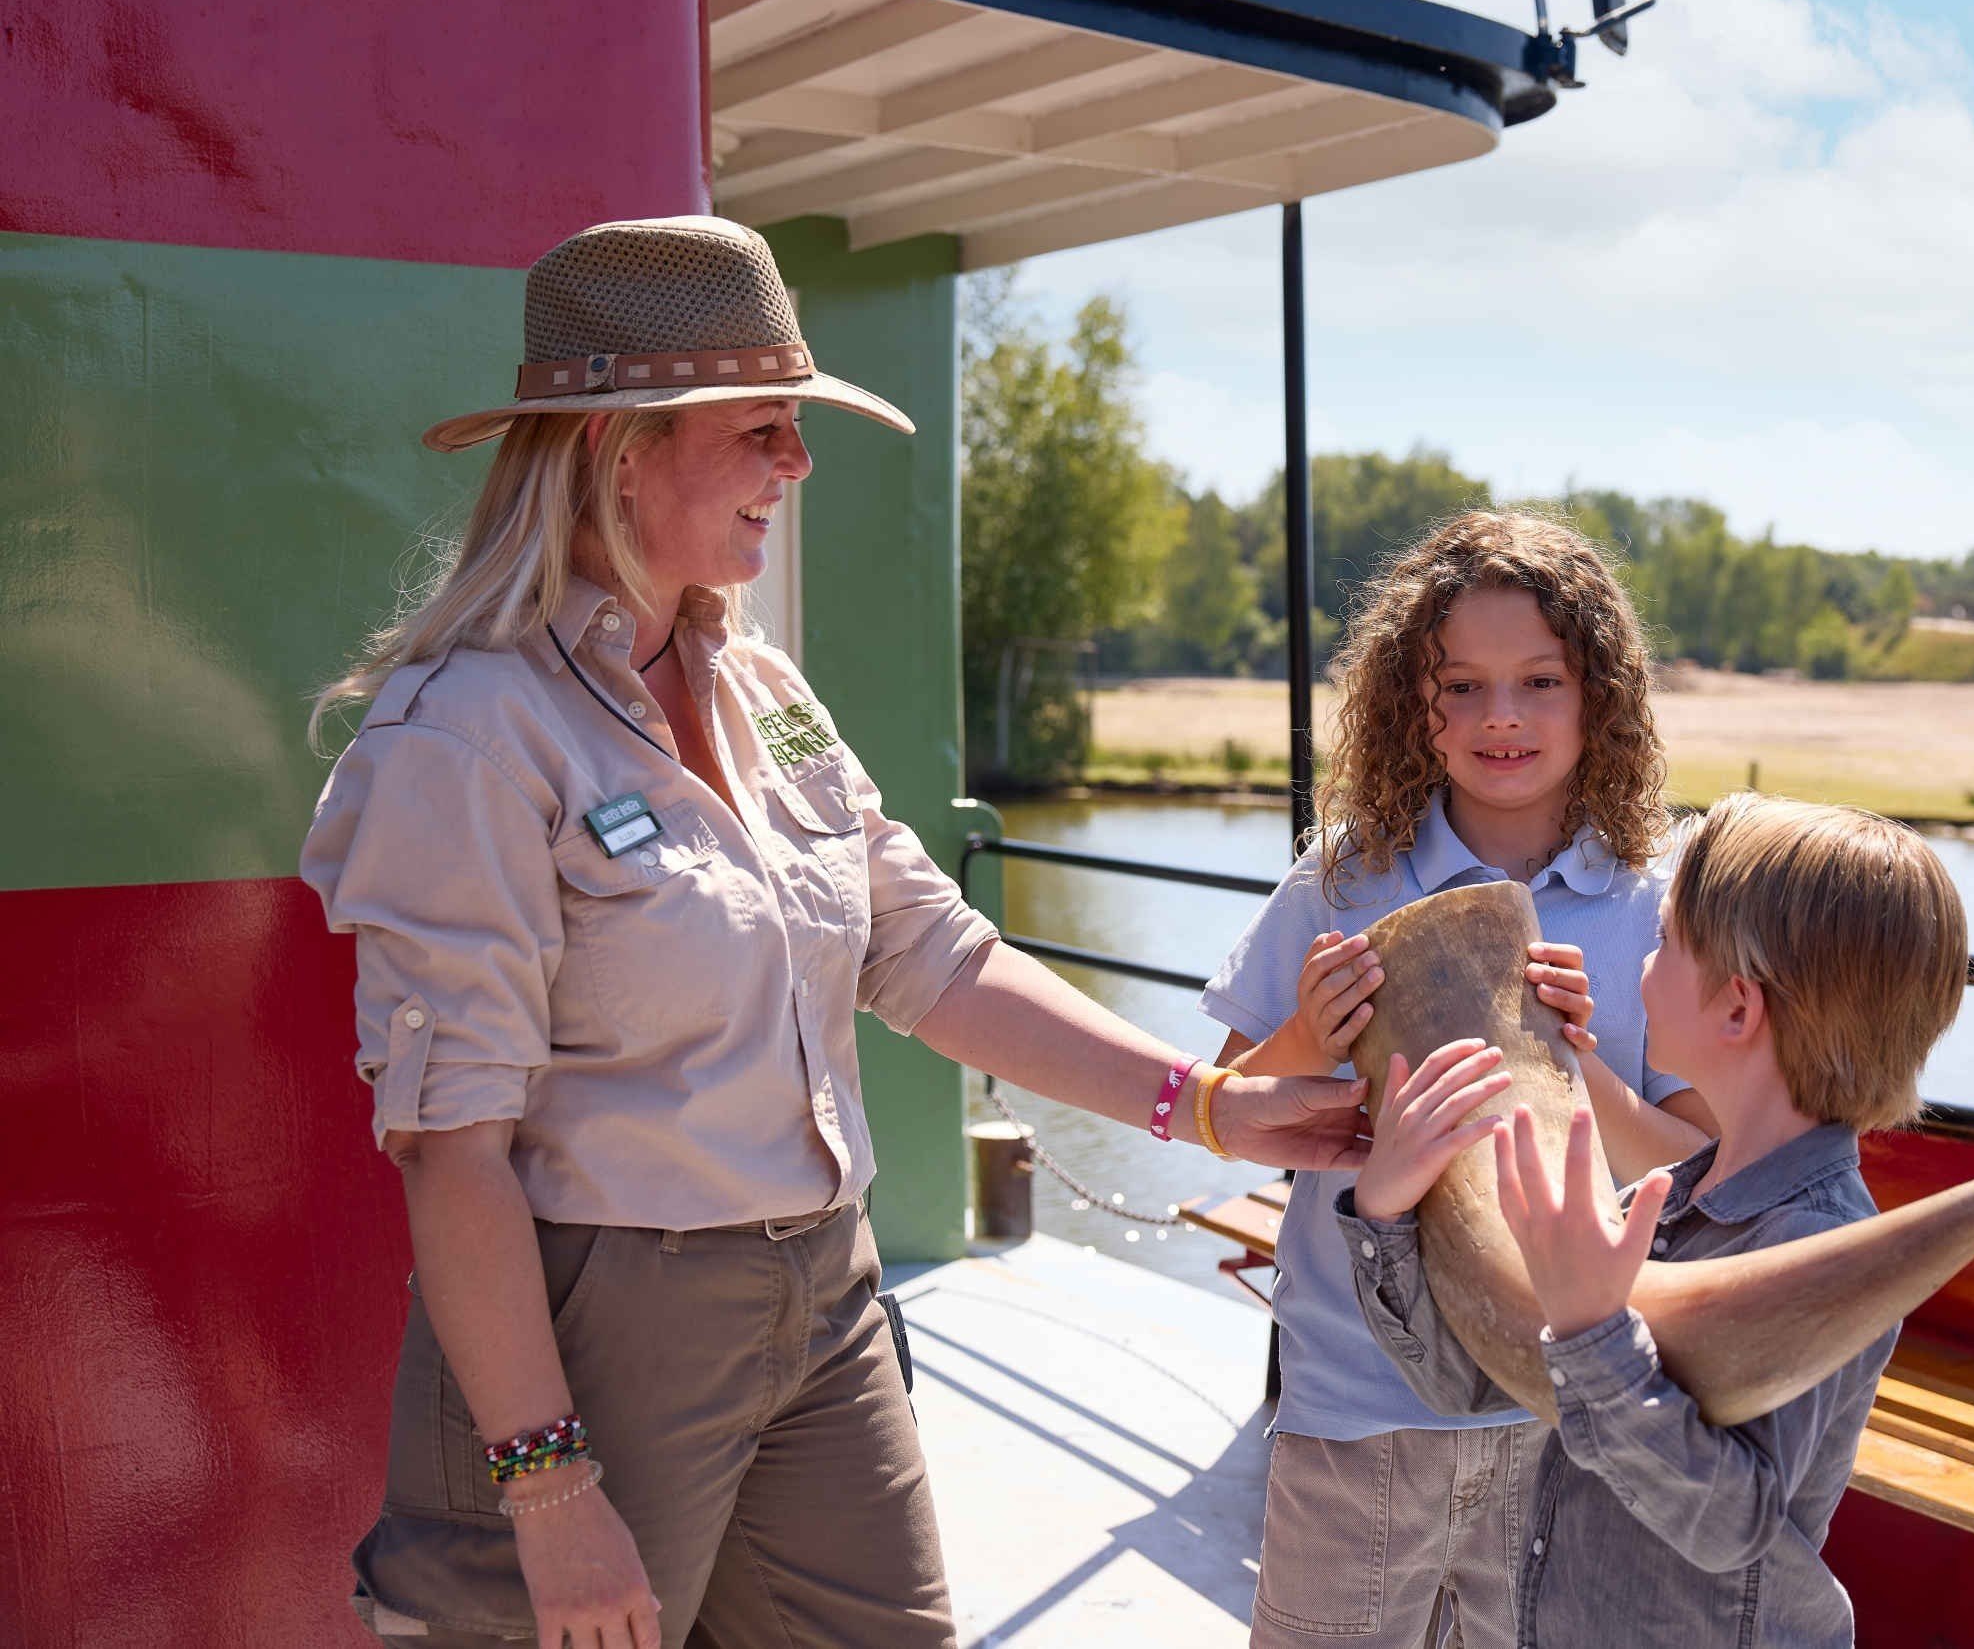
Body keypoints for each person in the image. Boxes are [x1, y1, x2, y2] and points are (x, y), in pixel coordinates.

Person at [299, 215, 1369, 1649]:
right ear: (624, 451)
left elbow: (934, 953)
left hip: (826, 1294)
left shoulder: (765, 689)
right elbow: (455, 1145)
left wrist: (1210, 1104)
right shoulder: (474, 735)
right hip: (598, 1323)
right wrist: (546, 1488)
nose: (795, 464)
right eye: (762, 429)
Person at [1201, 510, 1711, 1646]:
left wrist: (1582, 1070)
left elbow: (1697, 1167)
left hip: (1568, 1423)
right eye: (1462, 687)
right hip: (1353, 1410)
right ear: (1409, 702)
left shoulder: (1654, 904)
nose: (1502, 719)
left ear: (1600, 697)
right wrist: (1300, 1039)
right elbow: (1223, 1107)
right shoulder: (1341, 881)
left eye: (1539, 680)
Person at [1339, 792, 1971, 1647]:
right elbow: (1474, 1382)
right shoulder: (1657, 1198)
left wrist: (1596, 1329)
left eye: (1667, 940)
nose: (1642, 956)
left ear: (1738, 1010)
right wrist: (1386, 1209)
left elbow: (1727, 1524)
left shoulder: (1811, 1242)